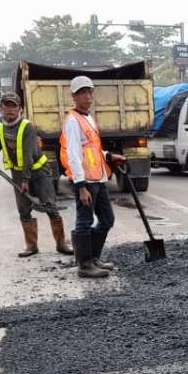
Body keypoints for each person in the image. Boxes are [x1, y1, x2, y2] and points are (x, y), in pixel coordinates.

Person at [0, 92, 72, 258]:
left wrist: (26, 180)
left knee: (50, 206)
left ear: (20, 109)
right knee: (23, 209)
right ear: (1, 107)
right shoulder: (0, 124)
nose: (10, 109)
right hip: (18, 173)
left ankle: (61, 244)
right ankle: (31, 246)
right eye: (6, 105)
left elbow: (28, 155)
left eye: (14, 106)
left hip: (38, 172)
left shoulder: (28, 127)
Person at [60, 75, 125, 278]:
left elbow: (92, 149)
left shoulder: (88, 118)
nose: (87, 96)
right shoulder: (72, 121)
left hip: (98, 178)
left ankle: (94, 258)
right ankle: (85, 265)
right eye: (82, 93)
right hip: (85, 181)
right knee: (84, 222)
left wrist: (109, 155)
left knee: (107, 219)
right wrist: (80, 186)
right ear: (74, 96)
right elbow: (73, 154)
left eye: (89, 92)